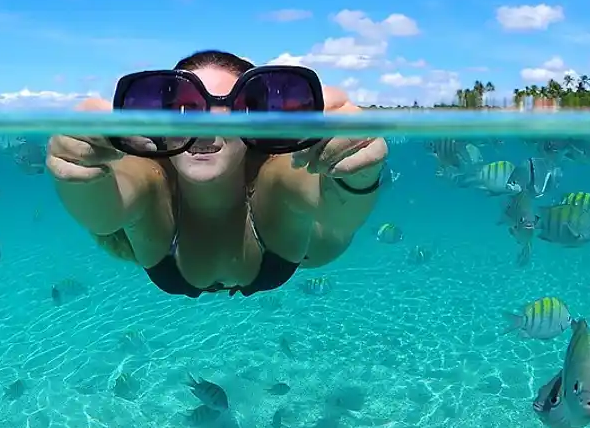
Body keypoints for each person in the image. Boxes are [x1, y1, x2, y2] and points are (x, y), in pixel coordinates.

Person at [47, 50, 388, 297]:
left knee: (336, 232)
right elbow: (102, 211)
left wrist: (355, 167)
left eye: (235, 111)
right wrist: (76, 162)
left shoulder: (277, 175)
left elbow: (336, 213)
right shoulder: (150, 177)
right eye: (185, 110)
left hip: (315, 248)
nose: (207, 130)